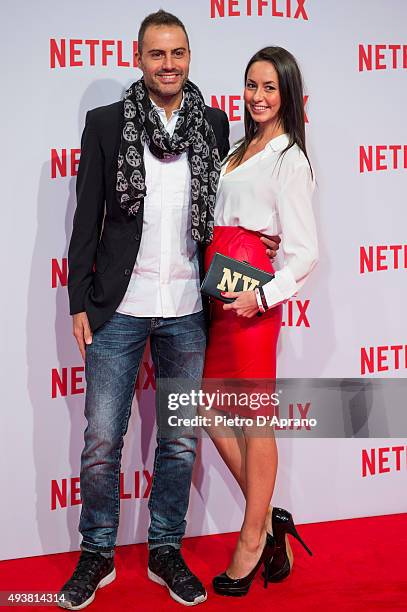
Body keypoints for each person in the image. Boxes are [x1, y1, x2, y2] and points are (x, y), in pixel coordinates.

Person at [59, 10, 279, 609]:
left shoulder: (212, 123)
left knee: (180, 440)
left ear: (188, 55)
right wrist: (79, 301)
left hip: (187, 307)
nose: (169, 63)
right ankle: (96, 551)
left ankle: (165, 549)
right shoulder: (105, 124)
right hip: (119, 306)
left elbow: (228, 210)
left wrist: (268, 244)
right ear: (138, 57)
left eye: (178, 52)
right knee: (102, 439)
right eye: (157, 54)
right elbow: (86, 223)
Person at [201, 46, 318, 597]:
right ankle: (271, 520)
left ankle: (252, 538)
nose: (258, 97)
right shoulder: (239, 148)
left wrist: (263, 297)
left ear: (287, 93)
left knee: (254, 416)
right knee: (205, 402)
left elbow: (306, 253)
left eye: (270, 87)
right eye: (251, 85)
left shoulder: (291, 160)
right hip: (218, 291)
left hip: (251, 299)